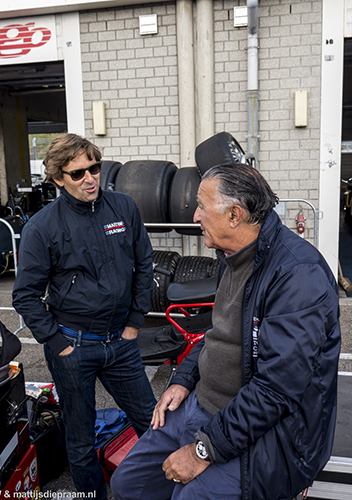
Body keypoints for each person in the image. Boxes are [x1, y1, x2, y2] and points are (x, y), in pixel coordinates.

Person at [111, 163, 341, 500]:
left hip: (264, 433)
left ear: (234, 215)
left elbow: (275, 391)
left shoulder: (297, 275)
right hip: (200, 406)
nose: (194, 216)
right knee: (127, 484)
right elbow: (215, 332)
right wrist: (183, 379)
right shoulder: (230, 256)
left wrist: (203, 450)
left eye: (202, 206)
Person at [12, 133, 157, 500]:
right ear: (58, 178)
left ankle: (162, 489)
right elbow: (25, 296)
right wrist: (57, 344)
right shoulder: (41, 227)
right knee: (80, 439)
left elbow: (144, 265)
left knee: (152, 422)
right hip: (73, 347)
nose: (90, 178)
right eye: (77, 173)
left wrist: (134, 322)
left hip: (120, 344)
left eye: (94, 167)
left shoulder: (123, 208)